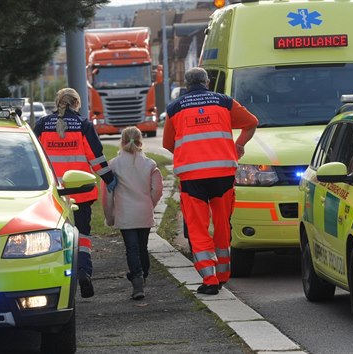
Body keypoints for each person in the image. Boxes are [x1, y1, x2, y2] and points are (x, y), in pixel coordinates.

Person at [163, 67, 258, 295]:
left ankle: (210, 279)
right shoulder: (224, 102)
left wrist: (189, 152)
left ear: (186, 84)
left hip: (192, 177)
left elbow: (168, 144)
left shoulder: (175, 108)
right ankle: (223, 274)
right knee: (223, 224)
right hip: (223, 174)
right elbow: (252, 122)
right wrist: (239, 145)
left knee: (197, 227)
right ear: (207, 82)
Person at [34, 88, 117, 298]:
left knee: (52, 240)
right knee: (82, 236)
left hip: (50, 196)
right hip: (80, 193)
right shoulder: (83, 125)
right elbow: (96, 158)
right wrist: (110, 180)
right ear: (77, 104)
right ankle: (83, 272)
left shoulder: (43, 125)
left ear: (57, 101)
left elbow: (32, 157)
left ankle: (53, 281)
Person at [101, 127, 163, 300]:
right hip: (143, 212)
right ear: (140, 141)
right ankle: (145, 273)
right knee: (142, 247)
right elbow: (157, 189)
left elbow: (107, 194)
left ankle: (136, 280)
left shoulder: (113, 165)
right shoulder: (150, 164)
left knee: (131, 248)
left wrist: (109, 216)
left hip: (125, 212)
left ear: (122, 141)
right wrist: (150, 203)